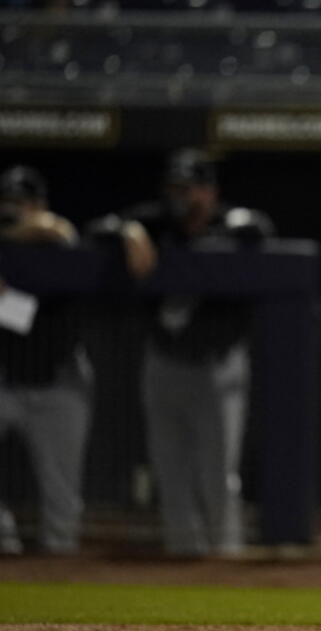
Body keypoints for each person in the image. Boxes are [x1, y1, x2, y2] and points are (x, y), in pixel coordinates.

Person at [92, 149, 274, 557]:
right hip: (164, 360)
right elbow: (98, 228)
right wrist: (129, 231)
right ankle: (182, 556)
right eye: (175, 189)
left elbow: (259, 230)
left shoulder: (235, 225)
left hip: (217, 363)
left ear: (210, 192)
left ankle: (225, 555)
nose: (182, 198)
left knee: (217, 471)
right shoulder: (153, 223)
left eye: (190, 189)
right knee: (169, 468)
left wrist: (219, 233)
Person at [0, 165, 91, 554]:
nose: (15, 210)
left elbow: (58, 231)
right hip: (7, 381)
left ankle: (60, 571)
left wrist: (3, 300)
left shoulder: (60, 243)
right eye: (8, 203)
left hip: (59, 378)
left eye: (22, 203)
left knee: (61, 495)